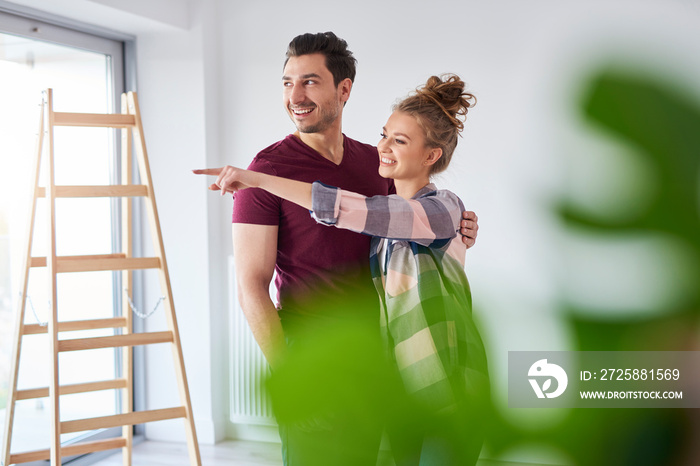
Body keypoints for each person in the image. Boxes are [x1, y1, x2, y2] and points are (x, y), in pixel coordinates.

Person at [195, 32, 480, 466]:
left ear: (343, 89)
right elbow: (251, 285)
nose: (295, 95)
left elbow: (404, 221)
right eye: (287, 82)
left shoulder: (375, 163)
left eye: (309, 81)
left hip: (381, 355)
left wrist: (459, 227)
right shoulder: (266, 169)